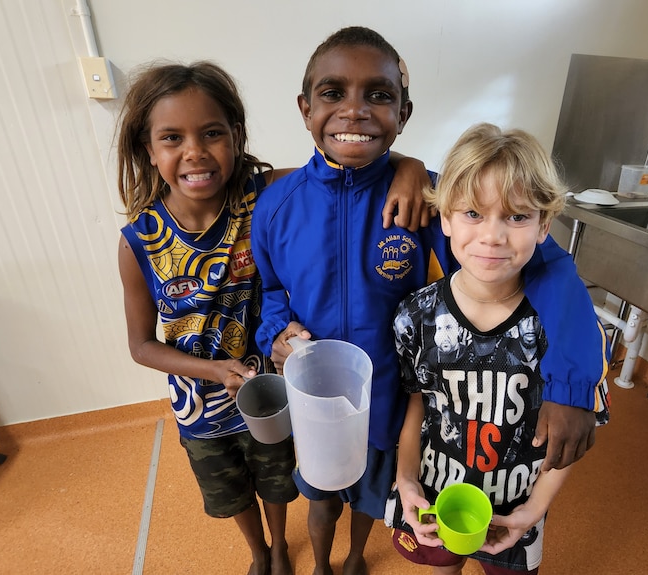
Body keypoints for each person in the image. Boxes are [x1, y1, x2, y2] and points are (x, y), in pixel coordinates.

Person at [115, 60, 431, 575]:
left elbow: (344, 163)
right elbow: (140, 346)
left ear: (236, 136)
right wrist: (216, 371)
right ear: (148, 150)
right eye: (172, 138)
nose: (195, 152)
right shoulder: (138, 243)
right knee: (231, 491)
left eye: (212, 133)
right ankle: (260, 552)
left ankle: (282, 547)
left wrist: (410, 165)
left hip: (278, 389)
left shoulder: (261, 194)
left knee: (281, 480)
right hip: (201, 407)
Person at [251, 26, 458, 575]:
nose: (355, 110)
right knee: (320, 497)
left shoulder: (426, 197)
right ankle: (320, 564)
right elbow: (271, 292)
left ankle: (355, 557)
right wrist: (276, 334)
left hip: (391, 392)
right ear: (305, 107)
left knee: (373, 494)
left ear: (403, 113)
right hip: (315, 398)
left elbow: (474, 278)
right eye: (333, 93)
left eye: (379, 96)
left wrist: (417, 169)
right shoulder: (276, 207)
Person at [386, 123, 610, 575]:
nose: (492, 236)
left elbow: (566, 438)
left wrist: (534, 510)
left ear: (544, 225)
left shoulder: (566, 332)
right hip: (436, 491)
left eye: (516, 217)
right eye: (472, 213)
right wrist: (405, 478)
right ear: (444, 217)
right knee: (441, 566)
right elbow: (418, 402)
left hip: (517, 505)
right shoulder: (416, 315)